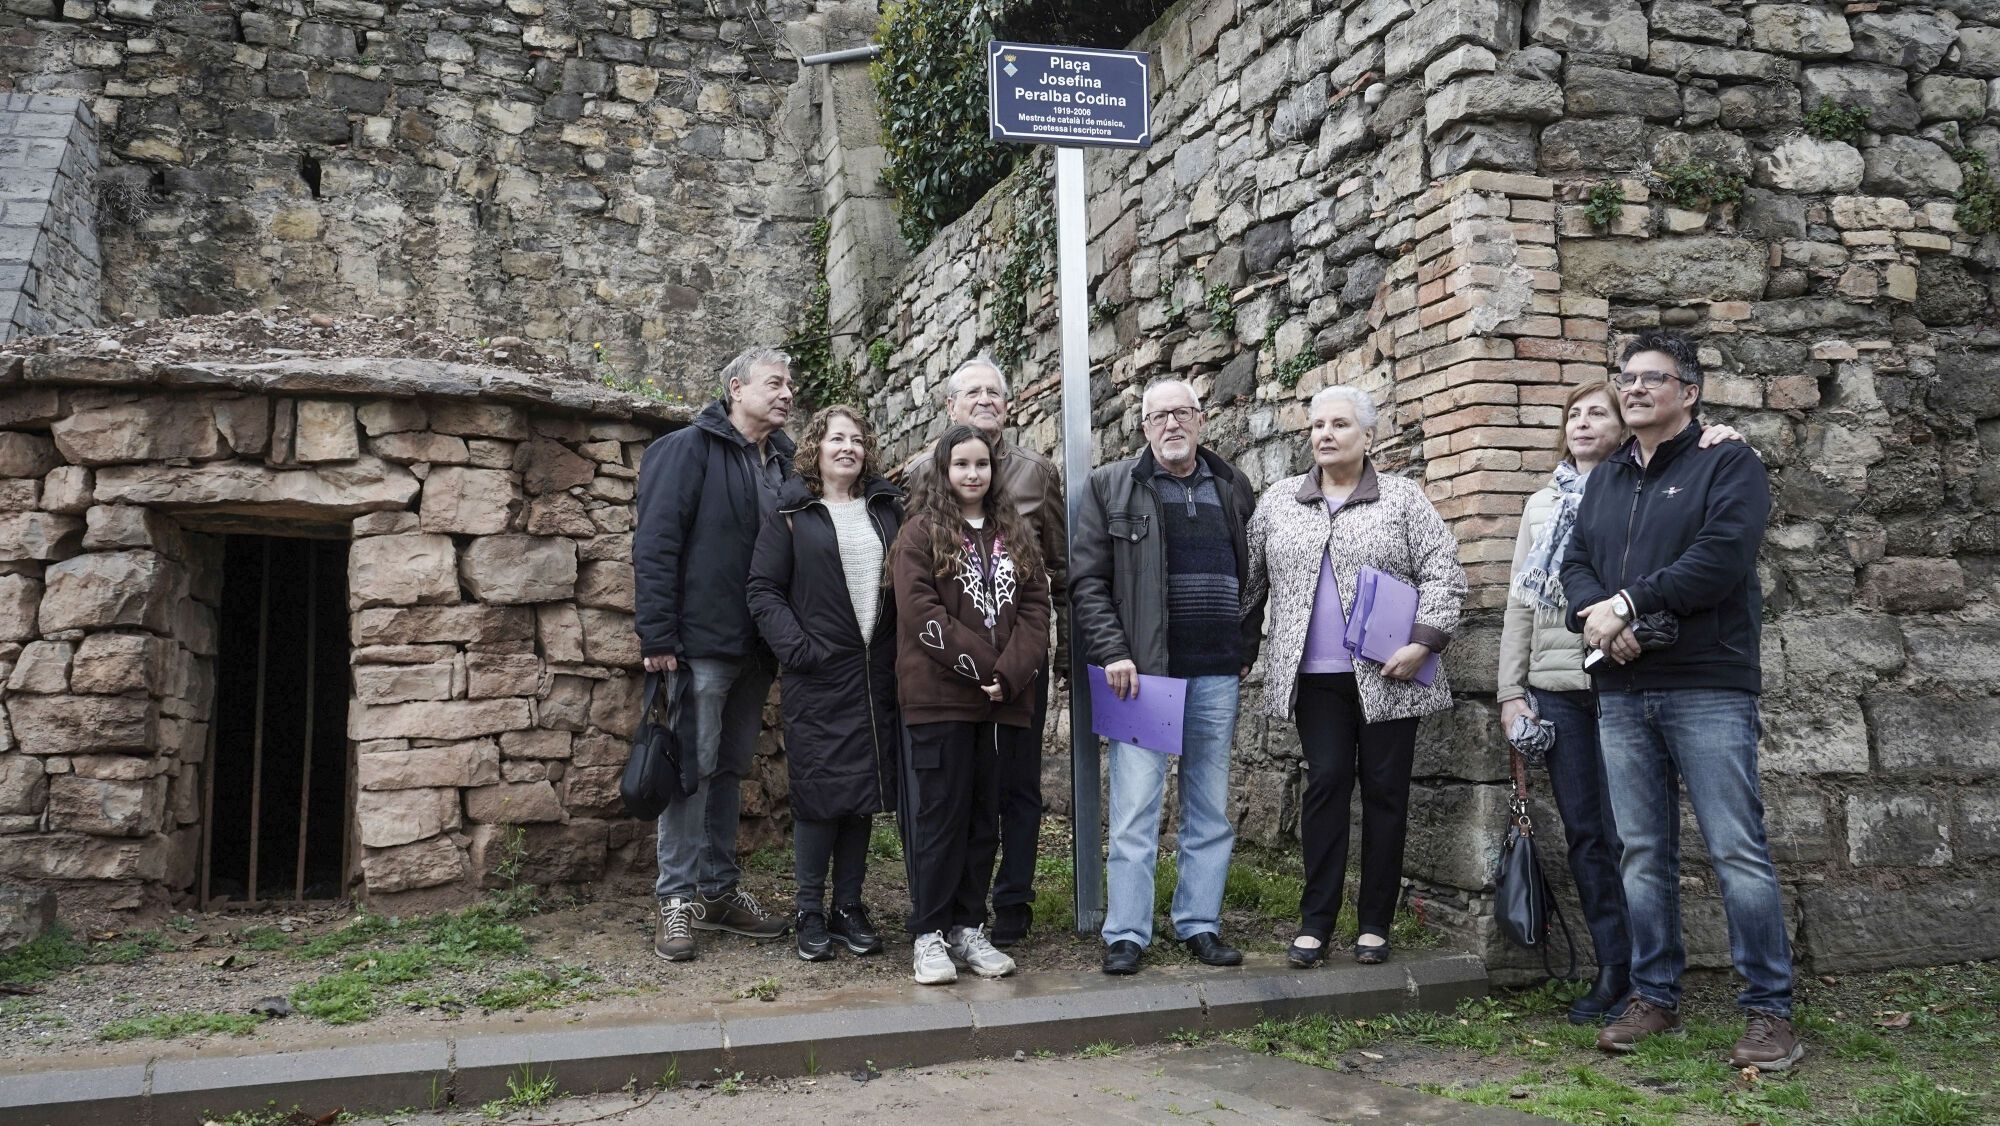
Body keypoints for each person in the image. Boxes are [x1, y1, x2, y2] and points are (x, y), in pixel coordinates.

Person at [1560, 331, 1799, 1071]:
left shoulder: (1727, 462)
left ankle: (1769, 1013)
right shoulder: (1605, 476)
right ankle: (1653, 995)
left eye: (1651, 379)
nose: (1632, 389)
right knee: (1641, 852)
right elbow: (1575, 564)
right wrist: (1597, 617)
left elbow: (1721, 558)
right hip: (1624, 685)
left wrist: (1626, 603)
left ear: (1688, 393)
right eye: (1625, 378)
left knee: (1736, 850)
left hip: (1707, 683)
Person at [1499, 382, 1744, 1023]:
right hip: (1557, 688)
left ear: (1625, 426)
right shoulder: (1542, 504)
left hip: (1626, 682)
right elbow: (1522, 604)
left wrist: (1723, 430)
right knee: (1586, 834)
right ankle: (1615, 967)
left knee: (1636, 835)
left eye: (1595, 413)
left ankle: (1650, 975)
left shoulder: (1639, 491)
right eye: (1572, 414)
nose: (1582, 423)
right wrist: (1510, 693)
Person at [1243, 386, 1465, 968]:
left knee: (1387, 795)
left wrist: (1423, 643)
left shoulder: (1402, 499)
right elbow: (1250, 586)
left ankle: (1374, 924)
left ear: (1369, 436)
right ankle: (1315, 922)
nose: (1325, 434)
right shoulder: (1278, 502)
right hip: (1315, 679)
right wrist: (1234, 647)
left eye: (1339, 424)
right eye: (1317, 424)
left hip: (1390, 675)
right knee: (1327, 787)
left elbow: (1443, 573)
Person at [1071, 378, 1265, 976]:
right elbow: (1087, 583)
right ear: (1143, 427)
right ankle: (1127, 933)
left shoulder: (1232, 486)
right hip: (1142, 677)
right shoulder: (1111, 487)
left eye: (1182, 413)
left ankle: (1199, 924)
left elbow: (1256, 575)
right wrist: (1113, 653)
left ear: (1202, 420)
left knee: (1209, 806)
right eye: (1158, 417)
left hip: (1215, 675)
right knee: (1135, 810)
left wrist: (1243, 646)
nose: (1171, 425)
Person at [634, 347, 796, 961]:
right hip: (699, 643)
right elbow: (655, 545)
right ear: (735, 387)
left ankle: (719, 891)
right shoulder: (685, 450)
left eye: (790, 385)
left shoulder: (783, 461)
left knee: (729, 769)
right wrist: (658, 636)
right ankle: (675, 900)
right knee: (688, 770)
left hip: (757, 647)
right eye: (774, 383)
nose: (787, 394)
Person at [900, 356, 1066, 947]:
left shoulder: (1032, 492)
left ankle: (992, 915)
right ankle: (933, 927)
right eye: (973, 392)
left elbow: (1048, 585)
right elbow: (920, 603)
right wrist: (982, 669)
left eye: (995, 391)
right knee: (944, 806)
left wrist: (1018, 667)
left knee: (1002, 798)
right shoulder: (920, 501)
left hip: (1012, 678)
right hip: (948, 681)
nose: (986, 399)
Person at [746, 406, 902, 963]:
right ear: (816, 446)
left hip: (874, 675)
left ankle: (849, 908)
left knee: (862, 792)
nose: (848, 448)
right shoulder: (792, 511)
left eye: (857, 440)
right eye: (837, 438)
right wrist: (799, 649)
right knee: (819, 796)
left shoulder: (887, 510)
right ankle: (809, 911)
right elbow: (763, 590)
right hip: (818, 675)